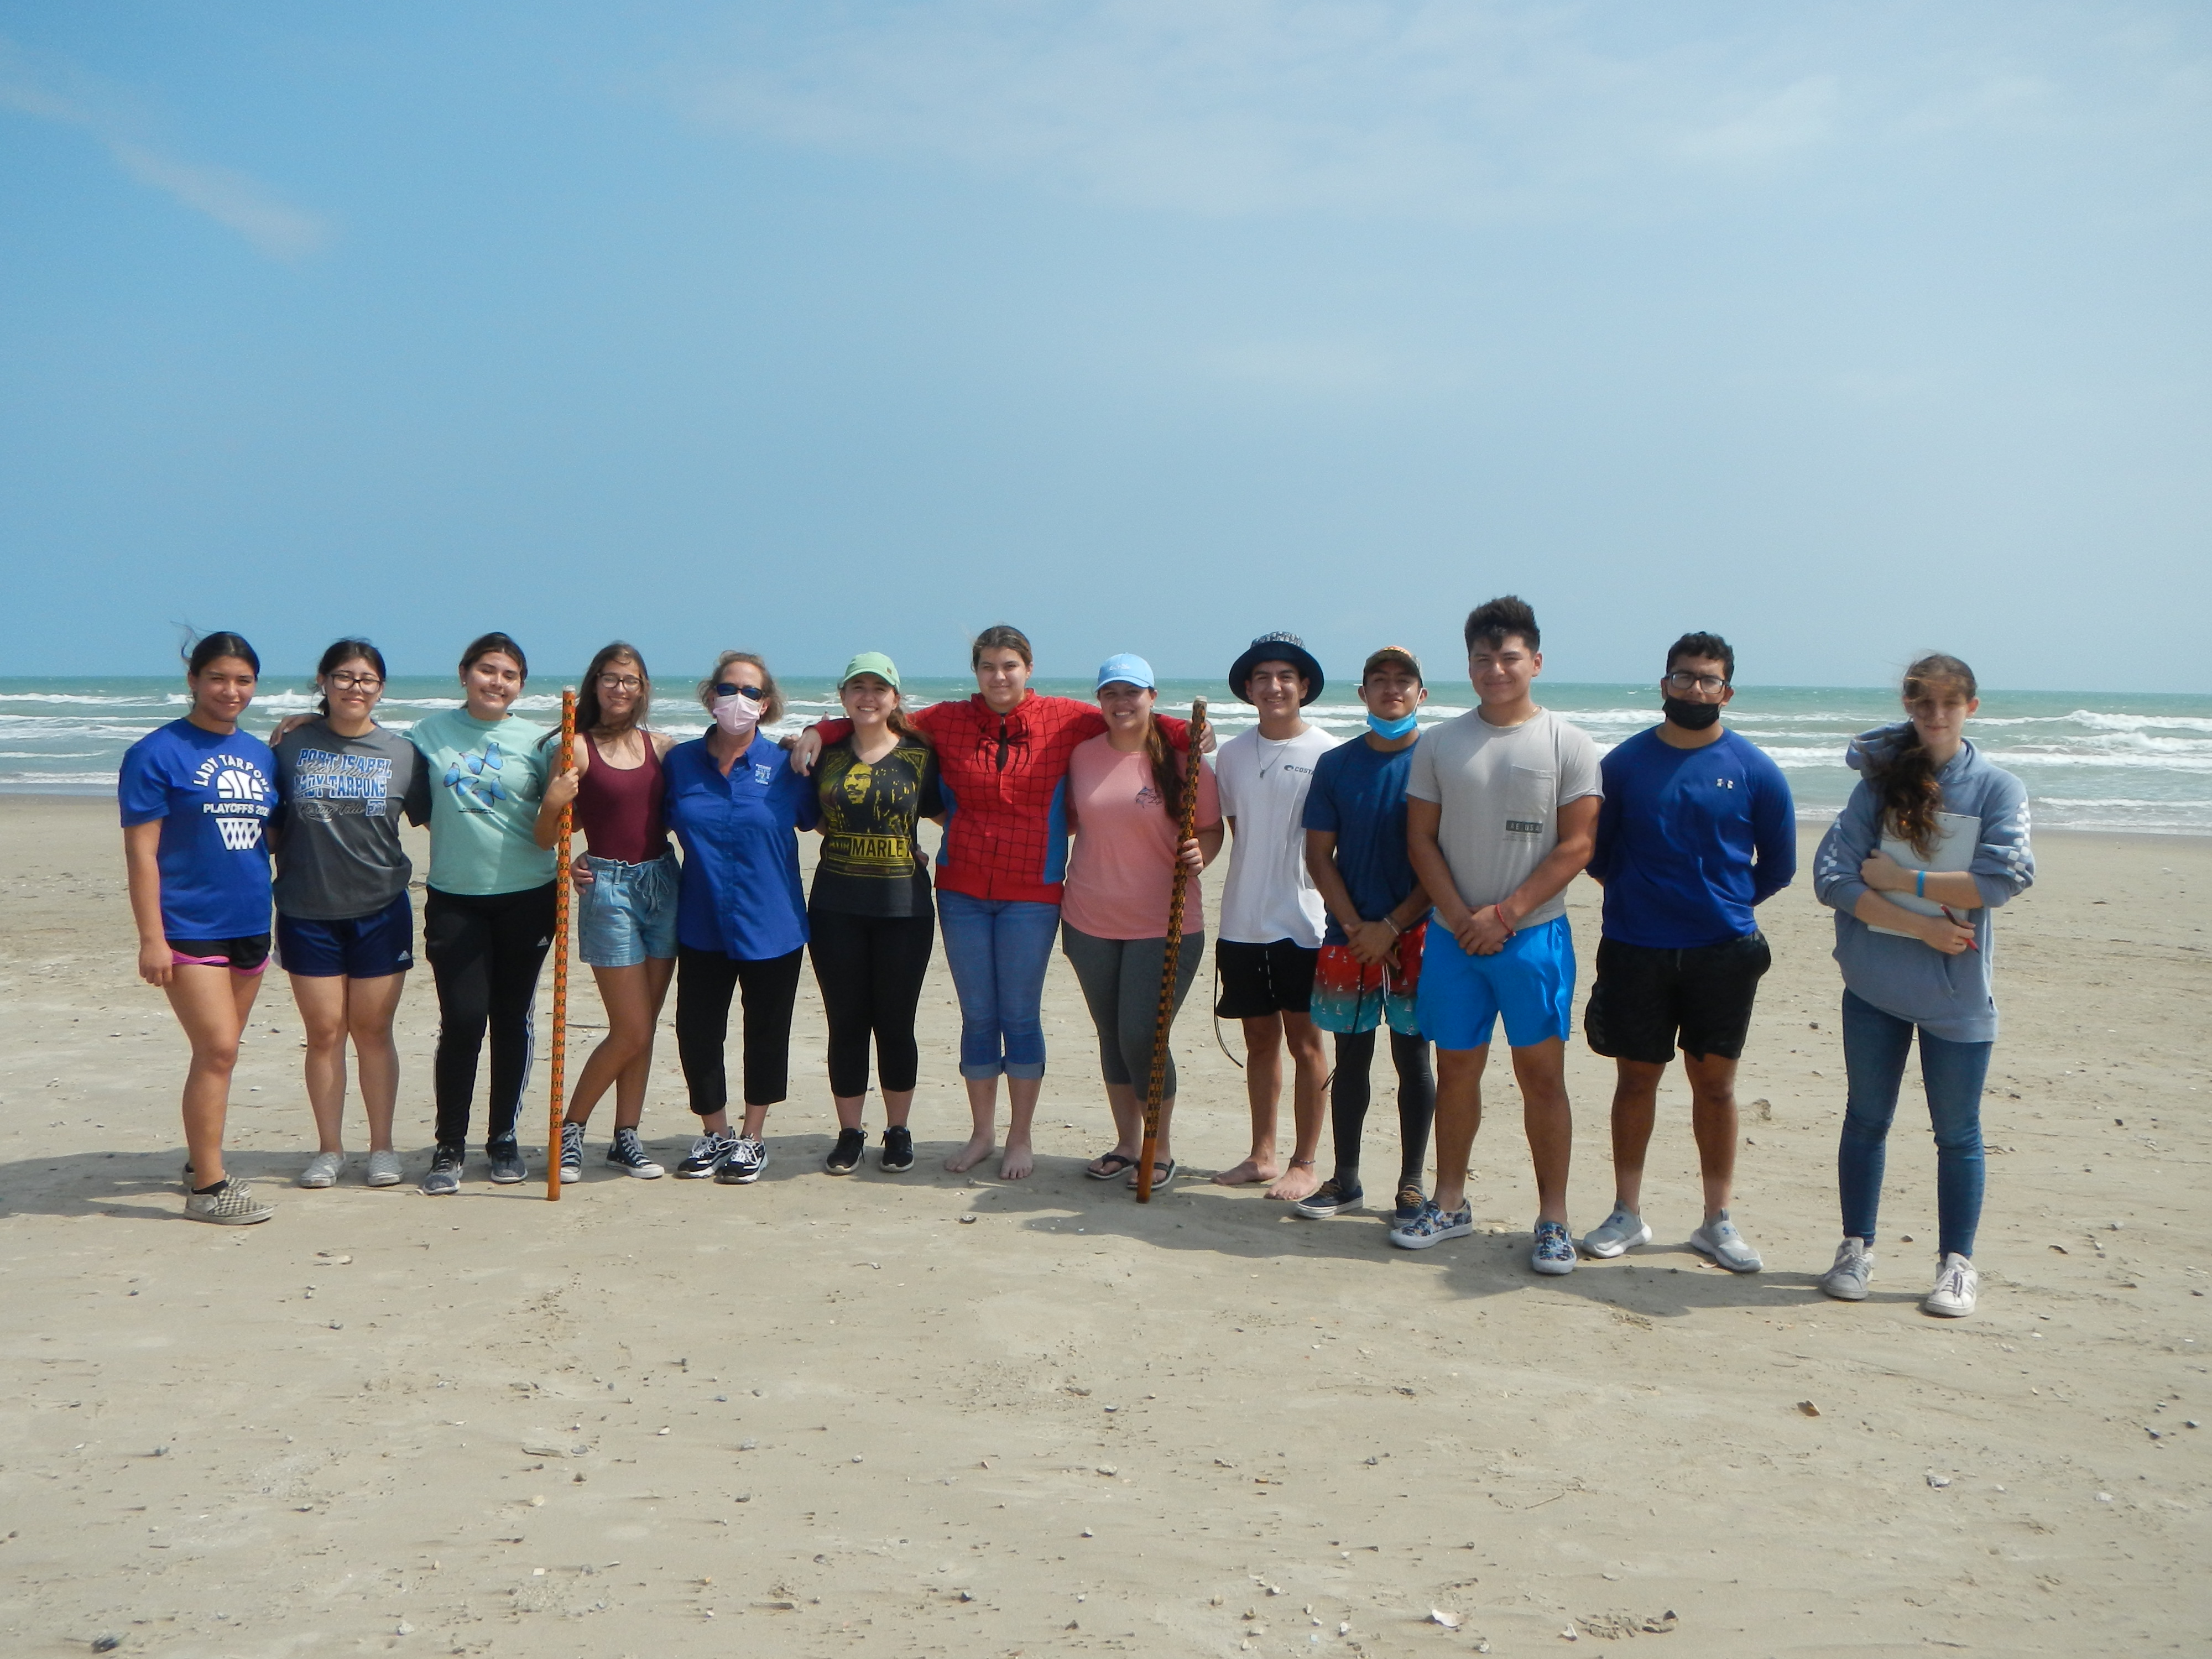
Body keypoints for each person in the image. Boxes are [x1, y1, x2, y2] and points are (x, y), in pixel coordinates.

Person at [792, 625, 1186, 1178]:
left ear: (1028, 669)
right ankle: (982, 1134)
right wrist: (818, 728)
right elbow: (879, 717)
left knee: (1020, 1017)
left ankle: (1019, 1138)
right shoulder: (948, 720)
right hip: (961, 893)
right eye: (988, 667)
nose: (999, 676)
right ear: (975, 672)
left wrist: (1187, 731)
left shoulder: (1066, 719)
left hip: (1033, 892)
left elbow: (1130, 717)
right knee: (979, 1018)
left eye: (1010, 666)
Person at [1812, 654, 2033, 1318]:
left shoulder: (1997, 788)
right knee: (1866, 1120)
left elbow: (2002, 880)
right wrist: (1919, 923)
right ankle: (1855, 1248)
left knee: (1958, 1134)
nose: (1935, 715)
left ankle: (1956, 1265)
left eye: (1949, 703)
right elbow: (1832, 879)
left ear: (1972, 707)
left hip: (1955, 995)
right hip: (1874, 986)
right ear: (1909, 707)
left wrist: (1903, 883)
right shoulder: (1876, 787)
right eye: (1922, 703)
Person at [1579, 632, 1797, 1271]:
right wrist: (1643, 897)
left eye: (1707, 680)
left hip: (1722, 953)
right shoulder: (1623, 765)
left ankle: (1716, 1220)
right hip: (1634, 947)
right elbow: (1596, 852)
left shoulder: (1756, 770)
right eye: (1683, 677)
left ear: (1725, 691)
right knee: (1635, 1079)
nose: (1694, 689)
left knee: (1716, 1087)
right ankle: (1626, 1211)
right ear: (1663, 685)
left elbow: (1777, 866)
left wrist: (1720, 906)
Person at [1396, 596, 1602, 1273]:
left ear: (1535, 662)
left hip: (1533, 935)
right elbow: (1421, 839)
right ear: (1469, 665)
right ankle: (1449, 1203)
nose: (1495, 670)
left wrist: (1505, 914)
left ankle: (1553, 1218)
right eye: (1482, 659)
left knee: (1541, 1076)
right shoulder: (1441, 742)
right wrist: (1460, 917)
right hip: (1454, 939)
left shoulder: (1567, 742)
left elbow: (1576, 847)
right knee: (1456, 1069)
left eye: (1509, 657)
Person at [120, 631, 279, 1223]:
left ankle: (199, 1157)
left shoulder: (262, 754)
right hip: (188, 925)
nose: (230, 690)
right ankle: (210, 1189)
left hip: (250, 923)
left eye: (242, 680)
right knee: (217, 1047)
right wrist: (151, 937)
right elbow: (142, 854)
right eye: (217, 678)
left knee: (221, 1055)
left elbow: (274, 836)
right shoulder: (156, 753)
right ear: (193, 680)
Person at [270, 638, 429, 1191]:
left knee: (373, 1030)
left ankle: (382, 1148)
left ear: (381, 689)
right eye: (344, 677)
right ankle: (330, 1150)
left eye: (366, 679)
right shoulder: (289, 744)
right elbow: (266, 824)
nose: (355, 687)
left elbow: (446, 822)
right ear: (323, 682)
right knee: (323, 1032)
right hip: (305, 910)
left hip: (381, 909)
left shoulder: (403, 753)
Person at [1059, 655, 1222, 1191]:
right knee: (1112, 1035)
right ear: (1099, 701)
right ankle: (1128, 1145)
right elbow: (1070, 821)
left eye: (1133, 693)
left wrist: (1205, 852)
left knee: (1143, 1034)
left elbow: (1211, 829)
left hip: (1166, 921)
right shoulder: (1081, 756)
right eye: (1111, 694)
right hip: (1088, 918)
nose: (1121, 703)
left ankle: (1161, 1146)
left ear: (1153, 696)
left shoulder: (1182, 759)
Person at [406, 632, 557, 1194]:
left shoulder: (540, 739)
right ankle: (449, 1145)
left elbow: (568, 805)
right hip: (455, 897)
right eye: (487, 670)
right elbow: (368, 747)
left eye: (510, 674)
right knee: (464, 1019)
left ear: (520, 685)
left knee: (512, 1018)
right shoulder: (428, 734)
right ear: (465, 673)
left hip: (529, 895)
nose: (497, 682)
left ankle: (502, 1140)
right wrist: (303, 724)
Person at [662, 651, 818, 1185]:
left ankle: (752, 1138)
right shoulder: (679, 763)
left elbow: (834, 813)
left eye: (752, 692)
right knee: (698, 1031)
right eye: (729, 689)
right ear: (710, 697)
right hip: (702, 920)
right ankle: (715, 1132)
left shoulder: (788, 765)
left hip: (773, 924)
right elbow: (642, 829)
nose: (739, 700)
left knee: (766, 1031)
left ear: (767, 704)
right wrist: (590, 857)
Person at [1295, 646, 1436, 1225]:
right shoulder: (1337, 764)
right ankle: (1345, 1177)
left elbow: (1442, 861)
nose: (1391, 690)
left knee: (1413, 1059)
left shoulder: (1437, 761)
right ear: (1363, 694)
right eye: (1379, 681)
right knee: (1351, 1059)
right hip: (1346, 934)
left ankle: (1409, 1184)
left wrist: (1393, 926)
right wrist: (1356, 926)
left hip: (1419, 932)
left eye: (1403, 681)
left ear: (1420, 694)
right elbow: (1318, 856)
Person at [536, 643, 681, 1182]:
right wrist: (554, 806)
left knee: (645, 1028)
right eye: (611, 679)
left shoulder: (661, 746)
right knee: (631, 1028)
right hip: (610, 890)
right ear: (595, 683)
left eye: (632, 680)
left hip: (663, 884)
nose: (621, 689)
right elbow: (547, 834)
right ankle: (571, 1127)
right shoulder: (575, 747)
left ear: (644, 689)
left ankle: (626, 1137)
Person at [802, 654, 946, 1175]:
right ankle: (850, 1131)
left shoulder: (921, 756)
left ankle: (898, 1130)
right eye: (858, 687)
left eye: (879, 688)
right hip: (835, 906)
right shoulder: (825, 752)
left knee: (895, 1021)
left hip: (904, 908)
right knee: (846, 1023)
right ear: (843, 697)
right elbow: (815, 816)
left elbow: (947, 813)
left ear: (895, 697)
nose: (868, 696)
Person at [1210, 632, 1334, 1200]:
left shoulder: (1329, 754)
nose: (1274, 687)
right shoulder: (1230, 757)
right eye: (1262, 678)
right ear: (1248, 689)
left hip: (1305, 923)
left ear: (1303, 687)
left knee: (1306, 1043)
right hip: (1240, 920)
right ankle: (1261, 1154)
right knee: (1258, 1041)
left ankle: (1304, 1162)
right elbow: (1236, 832)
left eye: (1285, 677)